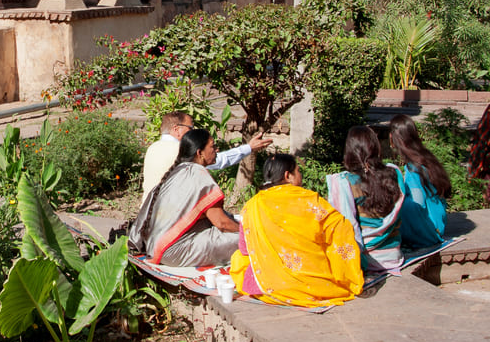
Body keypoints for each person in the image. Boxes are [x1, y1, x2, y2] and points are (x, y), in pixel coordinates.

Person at [230, 154, 363, 307]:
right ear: (288, 176)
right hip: (314, 283)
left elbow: (245, 250)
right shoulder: (311, 201)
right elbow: (341, 228)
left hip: (269, 284)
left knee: (238, 259)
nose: (301, 175)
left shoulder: (251, 206)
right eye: (298, 171)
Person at [129, 129, 239, 266]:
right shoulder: (198, 174)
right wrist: (247, 231)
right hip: (174, 251)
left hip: (157, 246)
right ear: (200, 153)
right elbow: (221, 223)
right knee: (248, 239)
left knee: (233, 221)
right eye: (212, 146)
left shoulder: (180, 170)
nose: (216, 150)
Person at [140, 110, 271, 205]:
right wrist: (249, 147)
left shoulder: (153, 147)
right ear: (176, 129)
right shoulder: (180, 150)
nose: (193, 131)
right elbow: (217, 160)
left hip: (147, 214)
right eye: (190, 128)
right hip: (167, 218)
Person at [326, 126, 405, 273]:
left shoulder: (344, 182)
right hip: (393, 254)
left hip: (367, 259)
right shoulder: (394, 172)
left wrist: (357, 262)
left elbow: (347, 226)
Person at [386, 114, 449, 249]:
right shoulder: (426, 158)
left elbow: (416, 204)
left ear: (392, 138)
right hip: (438, 224)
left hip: (429, 231)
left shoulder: (413, 169)